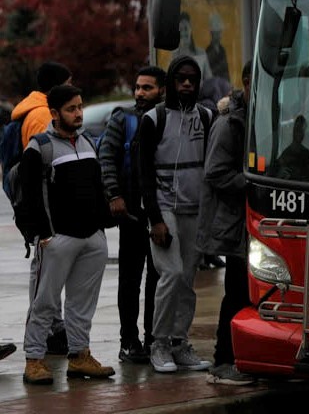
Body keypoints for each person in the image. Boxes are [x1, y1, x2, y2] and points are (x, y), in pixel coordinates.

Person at [20, 84, 115, 384]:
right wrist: (43, 234)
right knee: (45, 302)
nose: (78, 114)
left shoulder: (87, 142)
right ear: (54, 113)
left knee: (82, 303)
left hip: (92, 239)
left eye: (80, 107)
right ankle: (34, 360)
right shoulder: (39, 147)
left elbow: (98, 187)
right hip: (57, 239)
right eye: (71, 109)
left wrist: (102, 227)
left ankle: (79, 356)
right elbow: (29, 196)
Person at [139, 56, 212, 374]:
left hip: (194, 209)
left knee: (187, 279)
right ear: (170, 82)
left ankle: (180, 343)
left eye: (192, 79)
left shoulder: (207, 117)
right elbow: (143, 173)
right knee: (170, 274)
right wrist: (154, 218)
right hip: (164, 209)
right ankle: (159, 343)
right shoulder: (154, 119)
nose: (186, 84)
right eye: (180, 78)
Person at [98, 66, 166, 364]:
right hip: (131, 214)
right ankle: (129, 341)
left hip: (162, 213)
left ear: (161, 90)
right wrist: (114, 195)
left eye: (147, 88)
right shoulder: (122, 119)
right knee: (130, 280)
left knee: (158, 278)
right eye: (138, 87)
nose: (140, 93)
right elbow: (106, 158)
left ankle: (155, 339)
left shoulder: (166, 119)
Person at [197, 60, 255, 385]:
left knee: (249, 293)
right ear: (247, 80)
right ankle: (223, 361)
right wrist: (254, 183)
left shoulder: (256, 115)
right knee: (235, 292)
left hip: (251, 222)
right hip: (236, 226)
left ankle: (243, 357)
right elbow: (215, 172)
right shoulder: (229, 122)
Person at [11, 61, 73, 357]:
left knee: (50, 266)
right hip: (46, 205)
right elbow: (42, 163)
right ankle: (43, 332)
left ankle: (53, 328)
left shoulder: (34, 110)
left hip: (46, 204)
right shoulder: (40, 116)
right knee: (45, 267)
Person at [174, 12, 213, 81]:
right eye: (180, 30)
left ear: (190, 28)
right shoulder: (175, 56)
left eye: (186, 29)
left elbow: (209, 80)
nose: (183, 33)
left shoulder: (201, 53)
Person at [205, 11, 230, 81]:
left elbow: (226, 71)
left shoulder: (222, 50)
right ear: (212, 33)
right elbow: (208, 73)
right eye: (217, 33)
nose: (220, 36)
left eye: (220, 32)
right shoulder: (208, 51)